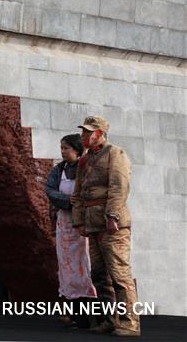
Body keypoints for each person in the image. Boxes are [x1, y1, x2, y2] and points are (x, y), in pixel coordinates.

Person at [71, 116, 140, 337]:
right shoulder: (85, 159)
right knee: (99, 274)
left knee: (119, 273)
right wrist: (79, 220)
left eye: (87, 132)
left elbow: (119, 187)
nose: (83, 136)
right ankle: (110, 320)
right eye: (83, 132)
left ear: (99, 133)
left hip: (113, 225)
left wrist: (113, 216)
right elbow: (78, 192)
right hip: (93, 224)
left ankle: (130, 322)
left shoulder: (115, 153)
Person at [45, 133, 96, 328]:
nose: (63, 152)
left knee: (85, 267)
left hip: (83, 224)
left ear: (77, 150)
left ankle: (89, 317)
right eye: (61, 148)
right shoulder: (59, 169)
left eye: (66, 148)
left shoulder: (86, 167)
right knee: (67, 268)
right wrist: (67, 200)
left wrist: (78, 202)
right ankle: (73, 314)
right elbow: (50, 190)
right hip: (64, 224)